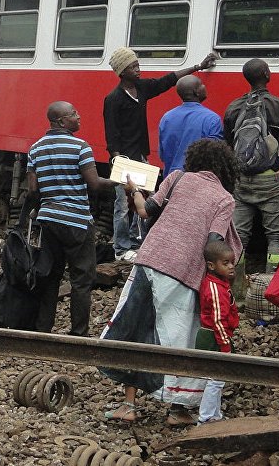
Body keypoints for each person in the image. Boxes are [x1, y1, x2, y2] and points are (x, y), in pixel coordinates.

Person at [100, 139, 241, 425]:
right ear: (225, 170)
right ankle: (178, 409)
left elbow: (144, 210)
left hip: (148, 259)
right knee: (178, 337)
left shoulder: (177, 178)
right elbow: (214, 242)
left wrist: (134, 190)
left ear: (194, 161)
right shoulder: (225, 199)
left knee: (136, 326)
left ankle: (128, 405)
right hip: (183, 272)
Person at [103, 47, 216, 262]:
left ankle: (138, 244)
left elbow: (168, 80)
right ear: (121, 71)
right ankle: (121, 248)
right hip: (124, 159)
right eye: (132, 66)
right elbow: (111, 133)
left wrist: (198, 67)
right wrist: (117, 161)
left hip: (140, 156)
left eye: (137, 64)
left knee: (144, 201)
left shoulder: (141, 88)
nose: (138, 69)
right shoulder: (114, 99)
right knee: (122, 204)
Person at [27, 101, 118, 336]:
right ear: (61, 121)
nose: (79, 117)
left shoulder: (35, 149)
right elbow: (95, 184)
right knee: (81, 280)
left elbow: (33, 189)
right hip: (77, 222)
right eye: (73, 114)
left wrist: (43, 207)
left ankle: (42, 329)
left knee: (50, 276)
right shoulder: (81, 147)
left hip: (48, 220)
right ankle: (78, 333)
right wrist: (121, 181)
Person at [224, 58, 279, 281]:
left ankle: (236, 289)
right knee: (275, 236)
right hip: (270, 180)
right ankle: (270, 285)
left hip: (242, 181)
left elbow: (228, 146)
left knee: (239, 236)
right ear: (266, 73)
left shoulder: (233, 107)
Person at [196, 239, 239, 425]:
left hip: (216, 335)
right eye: (226, 263)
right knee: (216, 379)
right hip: (212, 337)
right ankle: (205, 418)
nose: (231, 267)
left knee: (217, 379)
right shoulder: (214, 288)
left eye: (232, 262)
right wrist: (225, 345)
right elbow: (217, 320)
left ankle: (214, 415)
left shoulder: (219, 283)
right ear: (211, 266)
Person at [158, 75, 223, 175]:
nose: (204, 86)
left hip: (172, 180)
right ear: (196, 92)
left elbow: (163, 155)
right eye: (201, 84)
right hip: (199, 182)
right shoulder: (212, 119)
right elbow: (215, 157)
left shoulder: (166, 118)